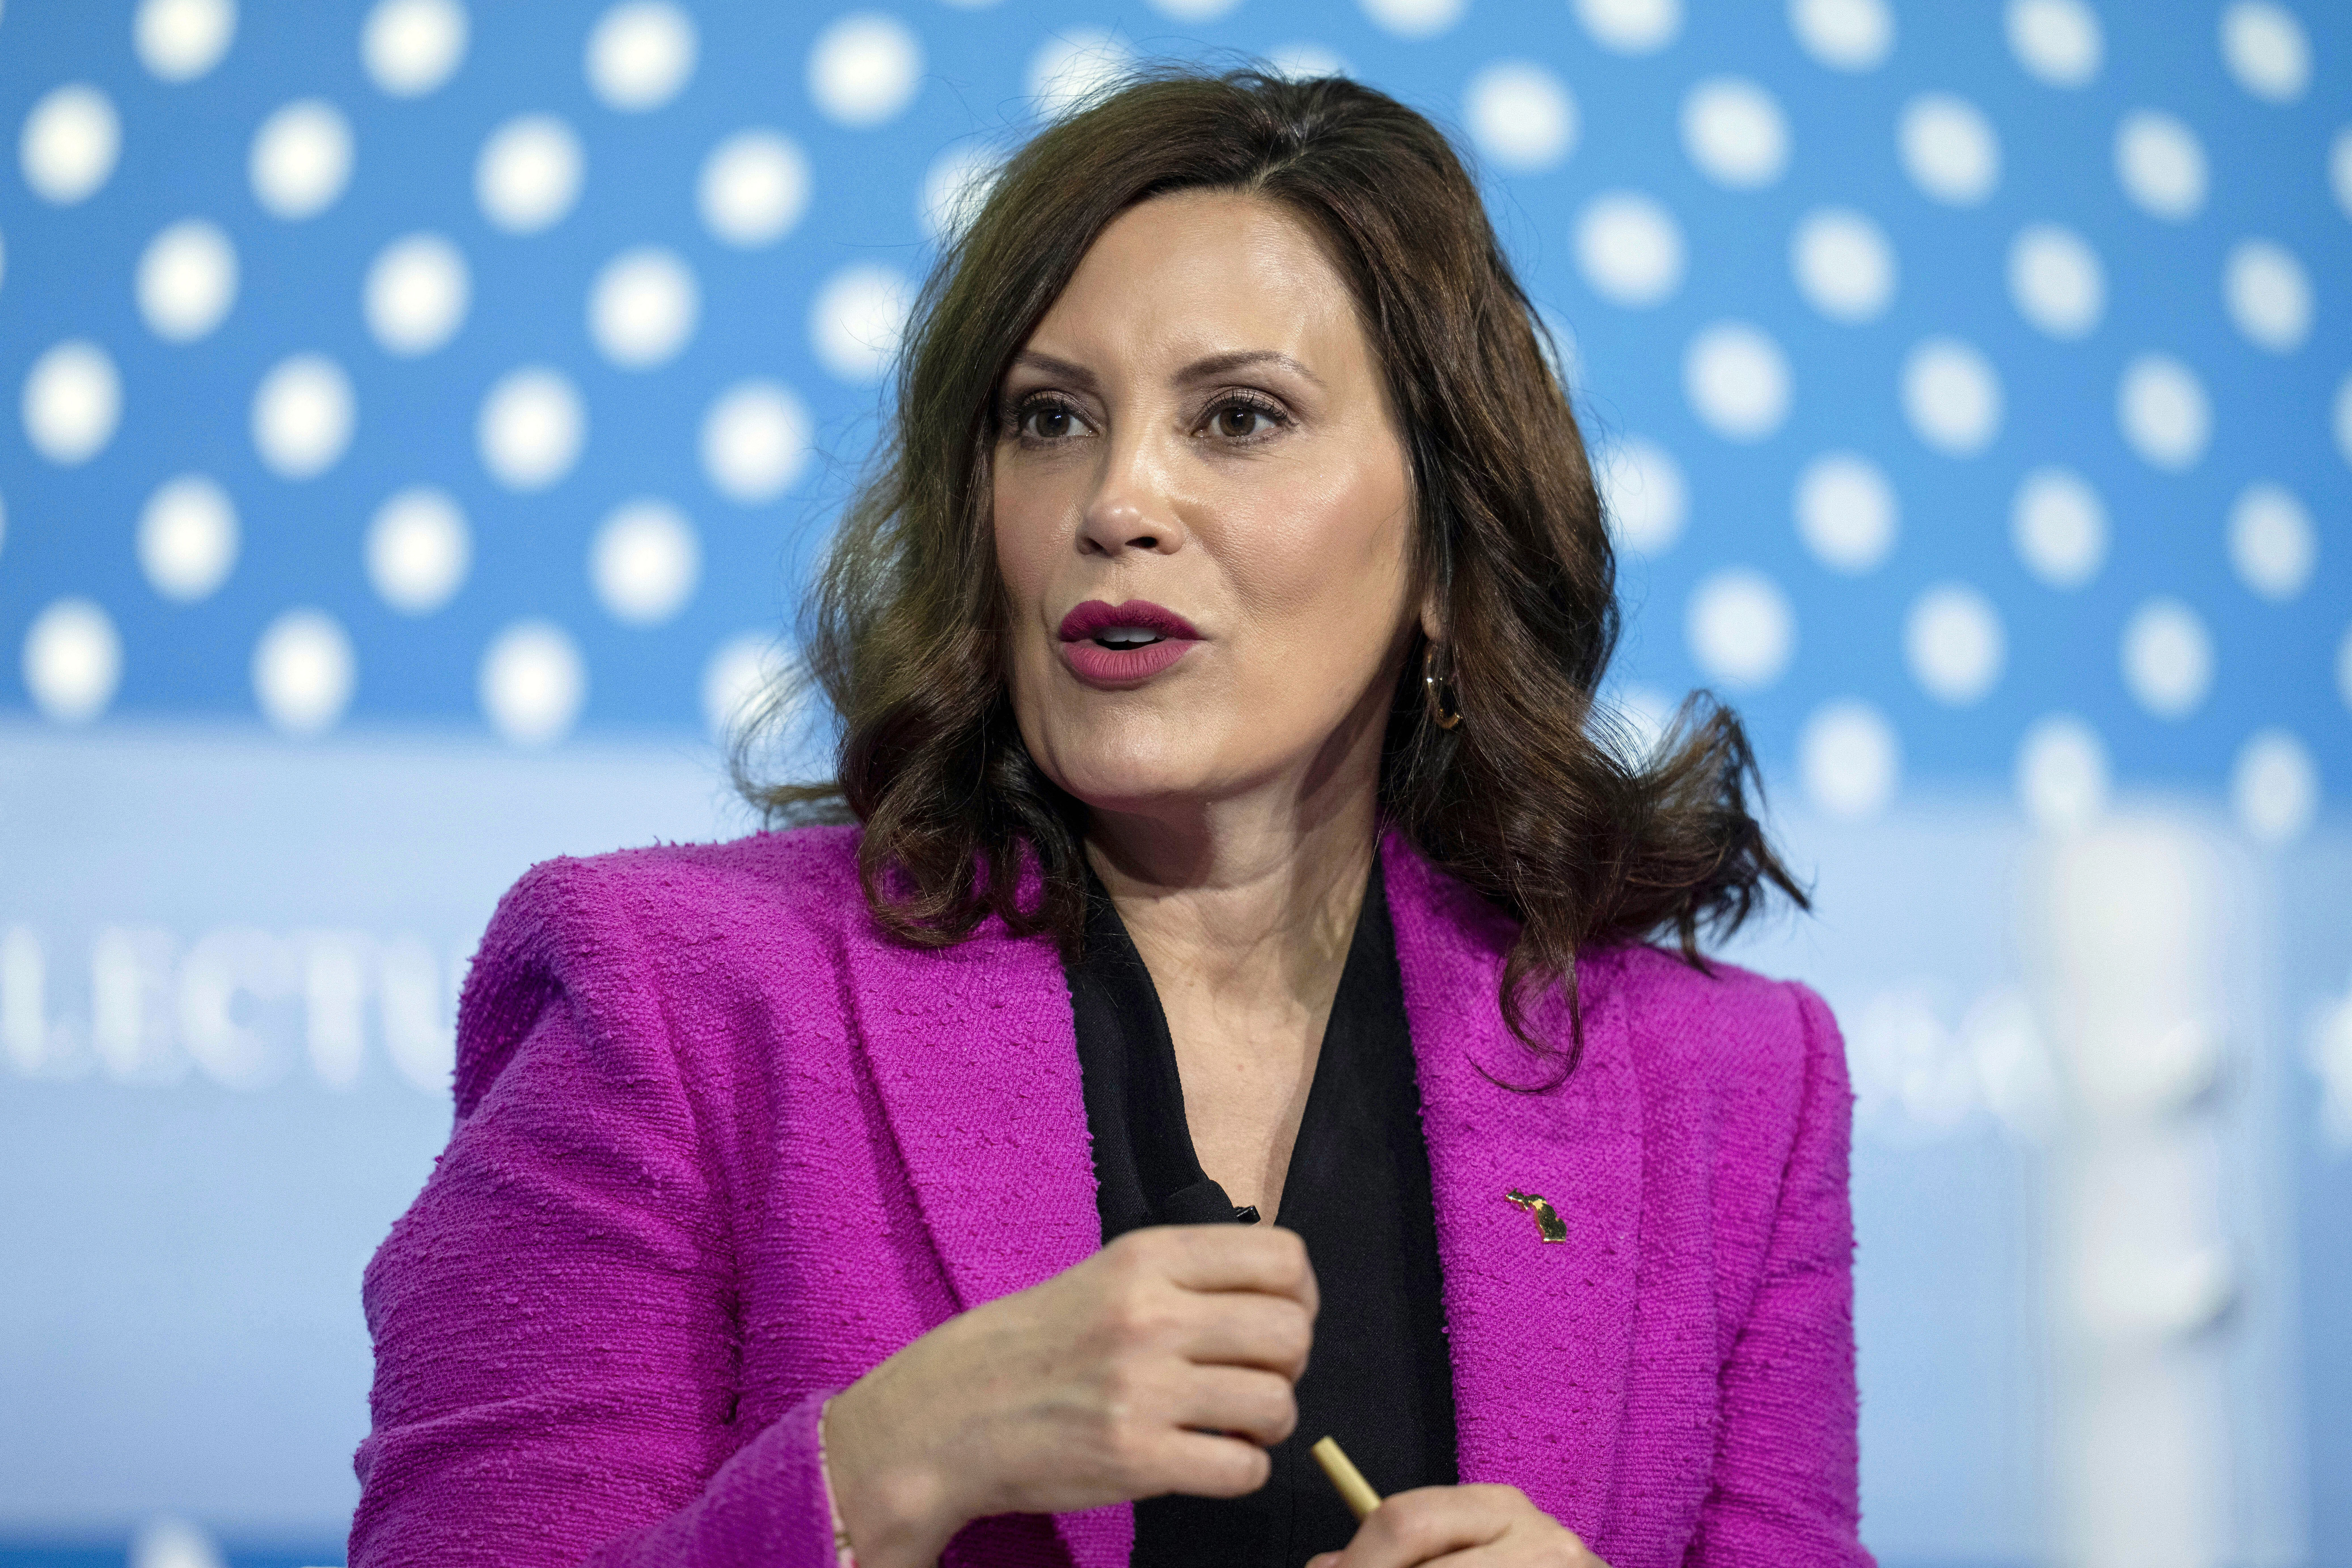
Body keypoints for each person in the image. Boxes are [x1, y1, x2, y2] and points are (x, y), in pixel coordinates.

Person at [351, 68, 1869, 1568]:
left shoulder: (1731, 1087)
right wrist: (888, 1463)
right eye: (1051, 417)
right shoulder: (676, 992)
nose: (1117, 498)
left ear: (1444, 553)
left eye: (1240, 418)